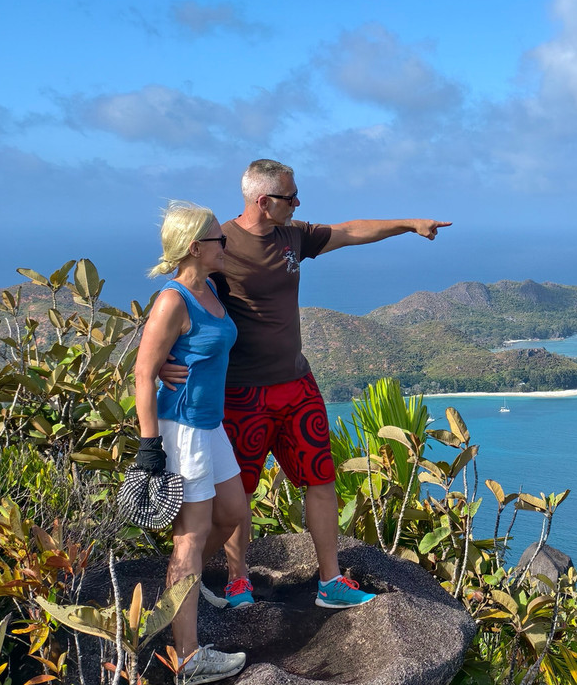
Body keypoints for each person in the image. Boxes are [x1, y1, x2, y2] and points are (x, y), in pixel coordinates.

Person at [163, 159, 451, 609]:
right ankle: (238, 581)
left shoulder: (292, 235)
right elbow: (181, 294)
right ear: (263, 201)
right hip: (242, 392)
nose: (298, 203)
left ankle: (330, 581)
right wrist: (163, 360)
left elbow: (349, 231)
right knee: (241, 492)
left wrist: (409, 224)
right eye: (290, 196)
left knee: (321, 479)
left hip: (297, 383)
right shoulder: (221, 243)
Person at [133, 202, 250, 684]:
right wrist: (149, 446)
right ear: (196, 247)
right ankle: (188, 658)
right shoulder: (173, 300)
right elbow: (143, 372)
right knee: (191, 536)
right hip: (182, 429)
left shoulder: (211, 289)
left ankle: (186, 585)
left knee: (233, 511)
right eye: (219, 239)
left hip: (209, 425)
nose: (226, 244)